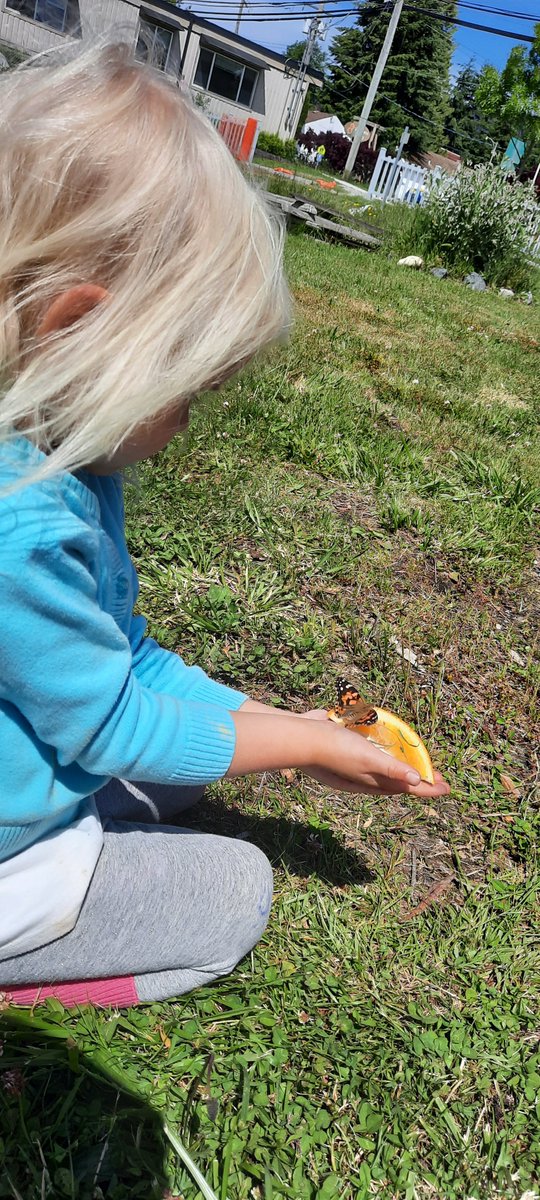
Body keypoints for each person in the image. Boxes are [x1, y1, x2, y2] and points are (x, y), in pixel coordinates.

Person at [0, 43, 449, 1009]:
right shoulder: (20, 527)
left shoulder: (53, 455)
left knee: (189, 772)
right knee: (229, 897)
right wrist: (306, 750)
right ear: (78, 328)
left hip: (42, 754)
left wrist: (288, 723)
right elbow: (116, 722)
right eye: (185, 391)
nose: (186, 421)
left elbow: (128, 661)